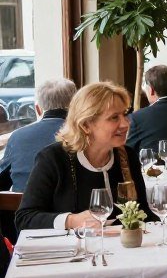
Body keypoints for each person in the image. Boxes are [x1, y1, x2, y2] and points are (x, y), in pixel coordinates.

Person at [15, 82, 153, 230]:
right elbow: (24, 219)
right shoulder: (53, 159)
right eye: (114, 117)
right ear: (85, 125)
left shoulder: (127, 156)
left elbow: (144, 213)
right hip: (73, 251)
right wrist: (71, 221)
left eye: (124, 114)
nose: (125, 124)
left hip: (121, 249)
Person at [0, 78, 76, 191]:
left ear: (38, 109)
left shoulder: (18, 137)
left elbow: (2, 181)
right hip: (73, 208)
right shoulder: (83, 135)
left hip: (20, 207)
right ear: (76, 106)